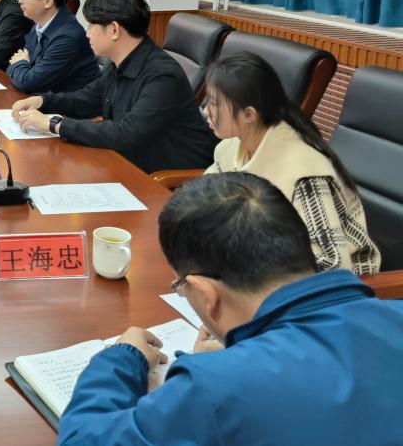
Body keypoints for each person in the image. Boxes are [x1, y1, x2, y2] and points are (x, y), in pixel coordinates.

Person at [56, 171, 403, 446]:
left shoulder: (214, 387)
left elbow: (81, 438)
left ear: (206, 293)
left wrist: (122, 358)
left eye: (181, 287)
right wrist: (243, 351)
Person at [203, 52, 380, 274]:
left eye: (214, 104)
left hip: (340, 283)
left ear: (249, 115)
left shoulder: (303, 173)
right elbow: (204, 199)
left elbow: (333, 264)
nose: (206, 111)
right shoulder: (233, 145)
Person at [12, 0, 216, 174]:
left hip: (169, 181)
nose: (87, 33)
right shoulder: (120, 63)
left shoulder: (163, 76)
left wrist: (54, 124)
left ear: (114, 30)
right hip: (129, 164)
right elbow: (85, 100)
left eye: (91, 25)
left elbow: (127, 134)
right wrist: (43, 101)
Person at [6, 0, 99, 94]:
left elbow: (29, 83)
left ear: (48, 1)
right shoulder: (39, 25)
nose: (20, 0)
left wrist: (20, 63)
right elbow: (14, 63)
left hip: (66, 105)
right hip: (42, 99)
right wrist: (21, 65)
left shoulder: (68, 37)